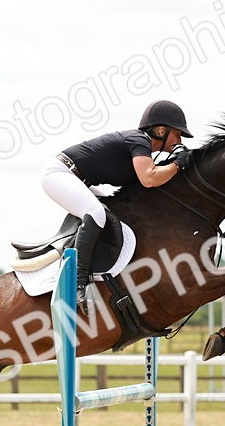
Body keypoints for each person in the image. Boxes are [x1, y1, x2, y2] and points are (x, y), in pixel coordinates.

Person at [41, 100, 193, 312]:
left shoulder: (143, 150)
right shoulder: (140, 141)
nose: (179, 139)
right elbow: (149, 179)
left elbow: (147, 183)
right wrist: (177, 164)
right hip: (60, 174)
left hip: (77, 179)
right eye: (177, 134)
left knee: (113, 212)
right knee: (96, 213)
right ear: (161, 130)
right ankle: (78, 284)